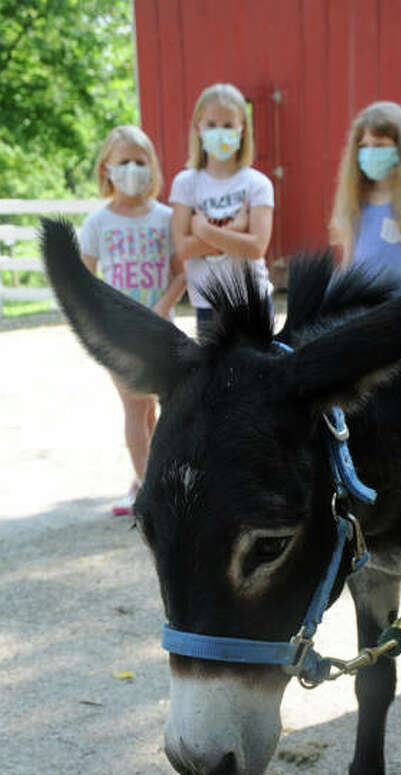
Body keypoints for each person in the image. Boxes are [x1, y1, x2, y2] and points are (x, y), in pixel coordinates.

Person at [79, 125, 185, 515]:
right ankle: (148, 489)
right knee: (135, 410)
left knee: (155, 411)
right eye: (124, 162)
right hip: (118, 337)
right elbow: (84, 280)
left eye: (141, 162)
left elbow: (181, 271)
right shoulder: (97, 224)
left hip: (160, 332)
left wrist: (161, 307)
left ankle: (151, 473)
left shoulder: (164, 218)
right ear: (107, 167)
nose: (132, 169)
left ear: (152, 166)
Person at [169, 82, 274, 334]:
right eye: (212, 125)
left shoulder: (257, 184)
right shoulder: (186, 183)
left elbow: (256, 247)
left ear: (242, 129)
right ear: (198, 127)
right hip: (208, 303)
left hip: (253, 302)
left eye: (228, 125)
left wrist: (205, 231)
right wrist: (236, 229)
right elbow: (183, 248)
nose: (220, 132)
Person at [330, 101, 401, 273]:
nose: (370, 153)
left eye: (380, 145)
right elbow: (349, 259)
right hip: (364, 297)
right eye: (364, 146)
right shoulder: (355, 195)